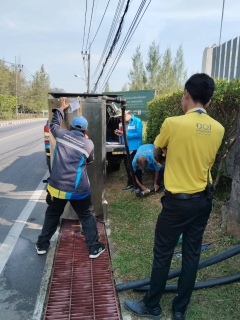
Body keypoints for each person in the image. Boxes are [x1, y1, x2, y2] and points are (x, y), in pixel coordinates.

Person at [124, 73, 225, 320]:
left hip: (177, 203)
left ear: (186, 95)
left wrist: (166, 155)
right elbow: (207, 161)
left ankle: (152, 307)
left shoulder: (173, 123)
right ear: (209, 102)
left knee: (163, 254)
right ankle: (179, 309)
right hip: (204, 201)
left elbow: (157, 154)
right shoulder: (219, 129)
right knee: (192, 254)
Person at [36, 97, 105, 259]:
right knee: (87, 215)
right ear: (85, 131)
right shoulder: (88, 144)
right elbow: (90, 161)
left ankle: (42, 245)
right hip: (77, 190)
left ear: (71, 127)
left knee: (52, 215)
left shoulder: (61, 135)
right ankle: (94, 248)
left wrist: (61, 108)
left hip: (56, 188)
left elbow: (53, 124)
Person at [113, 108, 143, 190]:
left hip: (135, 148)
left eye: (120, 117)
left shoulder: (137, 121)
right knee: (127, 167)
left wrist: (125, 134)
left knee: (134, 167)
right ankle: (131, 184)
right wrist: (119, 134)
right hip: (125, 148)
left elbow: (139, 134)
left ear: (125, 115)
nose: (119, 119)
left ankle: (138, 186)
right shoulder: (123, 124)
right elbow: (124, 135)